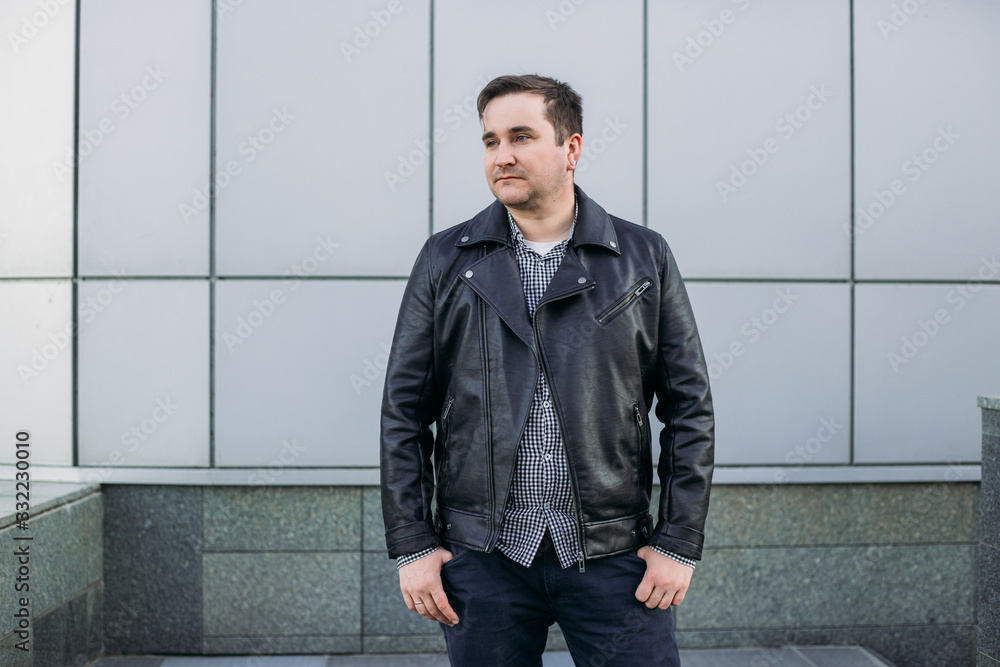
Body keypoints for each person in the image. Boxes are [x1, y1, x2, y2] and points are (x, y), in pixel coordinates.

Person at [380, 74, 714, 666]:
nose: (501, 155)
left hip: (615, 553)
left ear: (571, 148)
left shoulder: (643, 257)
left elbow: (690, 409)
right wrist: (413, 544)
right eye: (490, 141)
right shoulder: (445, 259)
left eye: (521, 136)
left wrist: (677, 541)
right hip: (483, 558)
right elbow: (404, 413)